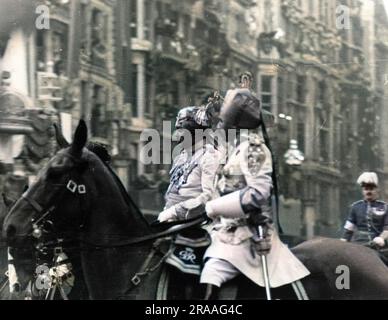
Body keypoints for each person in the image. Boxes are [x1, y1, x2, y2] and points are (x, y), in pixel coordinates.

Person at [200, 72, 310, 299]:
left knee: (211, 273)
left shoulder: (253, 148)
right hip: (223, 230)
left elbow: (258, 194)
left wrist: (214, 207)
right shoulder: (233, 148)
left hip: (248, 236)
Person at [157, 103, 222, 280]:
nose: (179, 137)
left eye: (183, 131)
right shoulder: (181, 156)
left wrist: (175, 211)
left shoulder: (210, 156)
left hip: (200, 224)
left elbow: (206, 197)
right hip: (173, 222)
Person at [341, 172, 388, 248]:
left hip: (378, 244)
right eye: (366, 189)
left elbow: (387, 228)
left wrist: (381, 238)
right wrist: (342, 242)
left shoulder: (385, 207)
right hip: (358, 244)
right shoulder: (355, 207)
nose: (368, 192)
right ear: (363, 191)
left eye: (371, 189)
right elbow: (349, 230)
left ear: (377, 190)